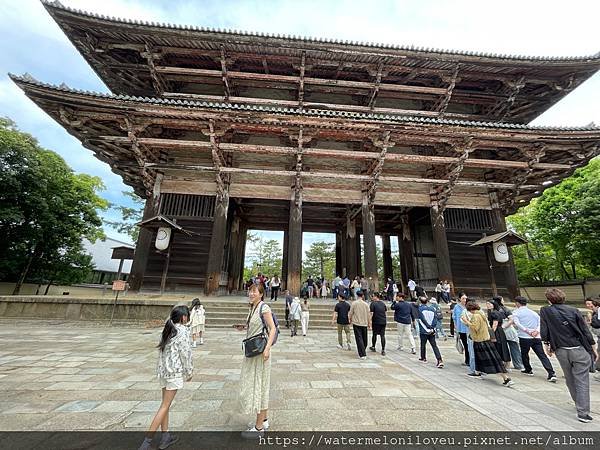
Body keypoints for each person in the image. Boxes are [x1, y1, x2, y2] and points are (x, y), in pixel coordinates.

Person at [138, 305, 193, 450]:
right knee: (164, 406)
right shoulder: (183, 331)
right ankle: (146, 442)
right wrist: (189, 371)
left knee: (165, 405)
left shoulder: (168, 328)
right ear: (184, 317)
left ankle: (165, 436)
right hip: (174, 371)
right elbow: (185, 353)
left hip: (163, 371)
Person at [541, 288, 597, 422]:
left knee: (570, 378)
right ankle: (583, 412)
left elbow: (544, 329)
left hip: (561, 349)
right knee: (581, 379)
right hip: (578, 348)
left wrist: (547, 345)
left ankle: (579, 403)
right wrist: (593, 347)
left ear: (549, 299)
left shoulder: (545, 311)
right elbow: (584, 330)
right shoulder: (573, 310)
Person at [240, 284, 277, 438]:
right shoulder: (253, 307)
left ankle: (259, 427)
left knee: (259, 385)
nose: (251, 293)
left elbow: (273, 328)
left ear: (261, 294)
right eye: (250, 290)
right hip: (253, 351)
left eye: (254, 291)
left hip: (261, 353)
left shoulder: (264, 308)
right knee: (259, 384)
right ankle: (265, 419)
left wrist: (267, 348)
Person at [462, 301, 514, 387]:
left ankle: (506, 378)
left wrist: (466, 321)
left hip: (481, 340)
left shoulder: (476, 316)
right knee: (482, 358)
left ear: (470, 309)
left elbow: (475, 327)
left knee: (492, 360)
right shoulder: (481, 314)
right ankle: (478, 372)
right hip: (483, 339)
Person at [511, 296, 557, 382]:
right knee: (542, 355)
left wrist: (527, 331)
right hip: (536, 337)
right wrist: (536, 331)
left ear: (517, 303)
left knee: (524, 353)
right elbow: (540, 322)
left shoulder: (516, 313)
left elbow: (517, 324)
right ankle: (551, 373)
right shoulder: (533, 312)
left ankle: (528, 369)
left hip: (524, 337)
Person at [497, 297, 524, 370]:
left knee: (506, 348)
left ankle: (506, 364)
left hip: (502, 332)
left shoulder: (499, 310)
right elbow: (511, 320)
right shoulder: (505, 309)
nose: (503, 301)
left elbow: (511, 320)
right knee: (514, 347)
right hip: (508, 331)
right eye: (502, 300)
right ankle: (518, 364)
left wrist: (503, 326)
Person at [417, 297, 444, 368]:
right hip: (432, 330)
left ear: (420, 302)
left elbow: (422, 320)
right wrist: (432, 327)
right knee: (434, 345)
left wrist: (427, 327)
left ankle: (423, 357)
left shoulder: (420, 309)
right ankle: (439, 360)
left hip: (424, 330)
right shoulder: (432, 309)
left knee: (423, 344)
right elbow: (435, 319)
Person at [486, 298, 511, 369]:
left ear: (493, 305)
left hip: (497, 331)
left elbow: (495, 324)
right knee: (502, 346)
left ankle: (500, 363)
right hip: (499, 331)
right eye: (487, 304)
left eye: (489, 304)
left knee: (498, 346)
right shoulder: (492, 312)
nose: (488, 305)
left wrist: (491, 334)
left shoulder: (494, 312)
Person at [349, 290, 370, 359]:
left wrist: (350, 319)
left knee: (359, 338)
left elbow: (351, 313)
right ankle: (363, 352)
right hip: (364, 323)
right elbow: (368, 314)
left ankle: (362, 353)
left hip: (356, 323)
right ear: (363, 296)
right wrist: (369, 323)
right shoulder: (366, 304)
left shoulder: (354, 303)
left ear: (357, 295)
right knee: (364, 338)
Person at [452, 292, 470, 368]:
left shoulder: (469, 306)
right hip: (461, 328)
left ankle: (470, 360)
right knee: (465, 344)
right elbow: (454, 317)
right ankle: (467, 360)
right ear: (459, 299)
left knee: (469, 345)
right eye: (463, 298)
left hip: (469, 328)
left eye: (465, 298)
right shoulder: (457, 307)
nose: (465, 300)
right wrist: (456, 327)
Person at [369, 292, 387, 356]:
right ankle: (383, 350)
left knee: (374, 334)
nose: (372, 297)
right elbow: (385, 311)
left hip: (376, 321)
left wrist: (369, 321)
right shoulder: (383, 303)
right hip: (383, 321)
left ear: (376, 296)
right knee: (382, 335)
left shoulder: (373, 304)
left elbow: (371, 314)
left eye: (373, 296)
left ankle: (373, 346)